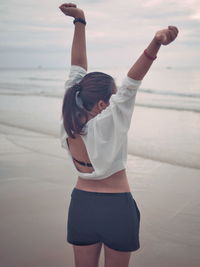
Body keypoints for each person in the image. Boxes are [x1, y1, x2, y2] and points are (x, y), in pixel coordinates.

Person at [59, 3, 179, 267]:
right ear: (103, 104)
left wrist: (80, 22)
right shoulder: (111, 119)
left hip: (81, 205)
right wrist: (155, 42)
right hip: (116, 208)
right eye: (112, 97)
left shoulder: (67, 116)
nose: (117, 99)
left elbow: (77, 68)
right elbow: (132, 82)